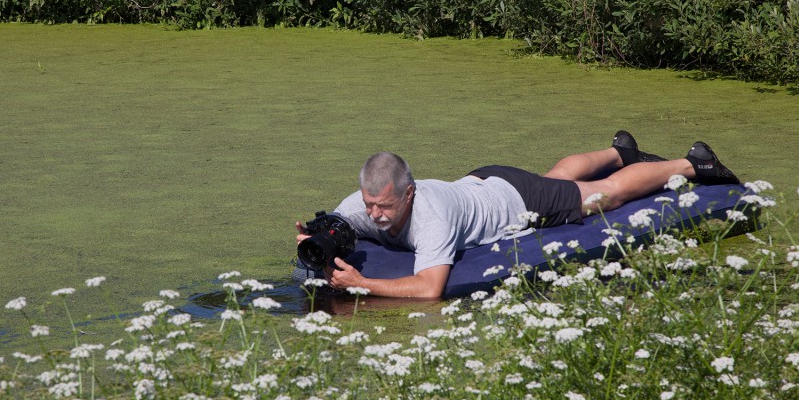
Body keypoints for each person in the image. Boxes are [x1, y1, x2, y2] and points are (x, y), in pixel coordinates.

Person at [295, 131, 740, 299]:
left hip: (514, 200)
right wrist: (316, 240)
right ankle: (618, 151)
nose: (375, 216)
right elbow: (335, 224)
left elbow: (430, 289)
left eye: (385, 207)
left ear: (408, 193)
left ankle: (693, 163)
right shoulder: (364, 204)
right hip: (483, 183)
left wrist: (364, 284)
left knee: (600, 197)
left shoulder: (431, 217)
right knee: (560, 180)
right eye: (369, 205)